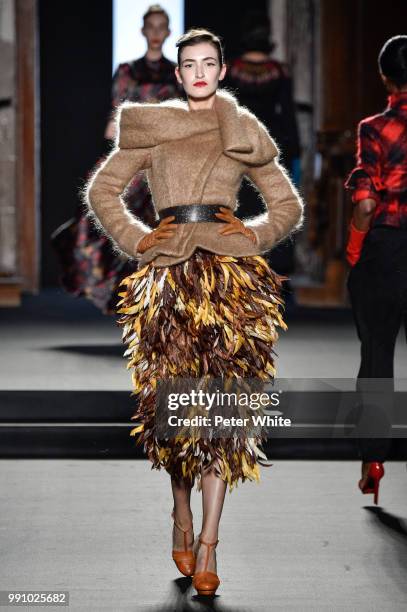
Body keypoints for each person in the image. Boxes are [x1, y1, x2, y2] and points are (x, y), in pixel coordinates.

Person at [85, 28, 303, 597]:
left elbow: (286, 204)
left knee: (223, 417)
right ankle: (180, 512)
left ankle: (208, 541)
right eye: (190, 64)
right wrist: (138, 238)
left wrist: (252, 236)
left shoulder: (241, 130)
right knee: (177, 416)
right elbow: (103, 191)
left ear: (223, 70)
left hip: (230, 283)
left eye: (209, 63)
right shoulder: (153, 127)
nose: (200, 72)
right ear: (177, 74)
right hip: (171, 279)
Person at [51, 4, 182, 314]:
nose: (155, 33)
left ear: (167, 32)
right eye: (150, 26)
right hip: (133, 154)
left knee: (165, 227)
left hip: (165, 160)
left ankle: (158, 301)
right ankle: (117, 290)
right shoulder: (126, 71)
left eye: (161, 26)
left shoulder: (176, 75)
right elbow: (114, 122)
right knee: (100, 212)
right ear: (142, 30)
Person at [345, 35, 407, 505]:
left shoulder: (374, 128)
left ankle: (374, 460)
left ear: (385, 77)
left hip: (385, 250)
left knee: (378, 357)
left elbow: (366, 203)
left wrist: (353, 249)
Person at [223, 10, 301, 286]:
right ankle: (272, 275)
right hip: (272, 142)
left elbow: (224, 110)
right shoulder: (279, 71)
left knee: (241, 206)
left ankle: (239, 272)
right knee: (273, 205)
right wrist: (294, 151)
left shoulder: (231, 70)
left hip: (238, 143)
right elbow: (288, 113)